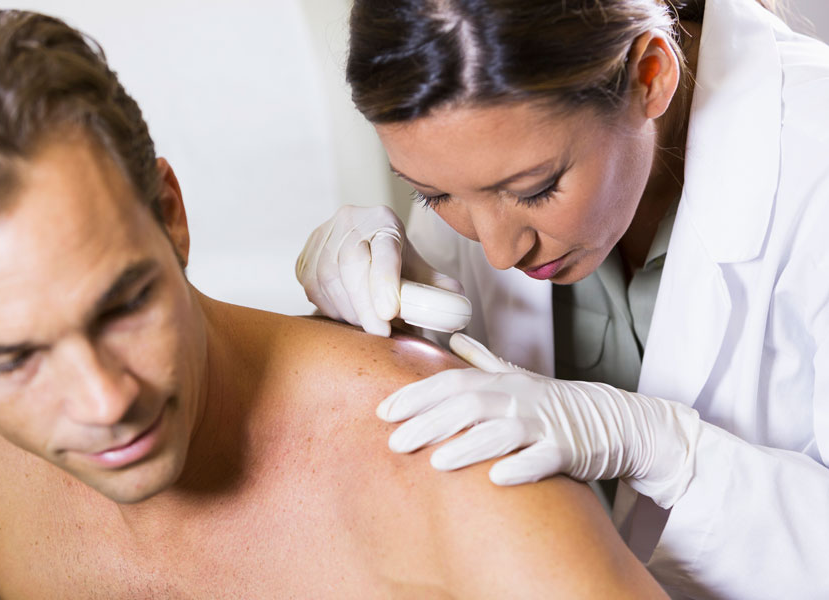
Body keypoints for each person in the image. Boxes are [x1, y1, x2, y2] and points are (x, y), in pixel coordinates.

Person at [0, 8, 667, 598]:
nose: (103, 402)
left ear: (170, 212)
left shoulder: (457, 477)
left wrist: (673, 450)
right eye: (12, 359)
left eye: (123, 308)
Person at [295, 0, 829, 597]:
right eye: (433, 195)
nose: (498, 252)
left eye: (536, 189)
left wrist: (668, 451)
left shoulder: (816, 163)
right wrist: (378, 311)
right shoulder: (487, 162)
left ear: (649, 77)